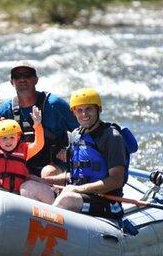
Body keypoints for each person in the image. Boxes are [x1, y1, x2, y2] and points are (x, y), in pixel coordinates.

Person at [28, 88, 135, 220]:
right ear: (73, 112)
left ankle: (44, 229)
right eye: (79, 110)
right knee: (30, 187)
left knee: (67, 199)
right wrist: (43, 181)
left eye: (89, 109)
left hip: (106, 202)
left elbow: (116, 181)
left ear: (99, 110)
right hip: (77, 194)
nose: (84, 114)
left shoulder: (112, 137)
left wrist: (79, 189)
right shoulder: (75, 135)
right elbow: (74, 176)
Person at [0, 61, 78, 177]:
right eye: (17, 76)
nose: (22, 79)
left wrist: (70, 150)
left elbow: (82, 131)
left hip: (55, 166)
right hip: (21, 166)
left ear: (36, 80)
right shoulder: (4, 111)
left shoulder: (55, 105)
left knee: (48, 173)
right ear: (12, 82)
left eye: (27, 75)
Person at [0, 105, 54, 200]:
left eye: (12, 137)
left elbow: (39, 144)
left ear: (18, 138)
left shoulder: (25, 150)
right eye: (4, 138)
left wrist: (37, 125)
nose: (9, 141)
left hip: (17, 197)